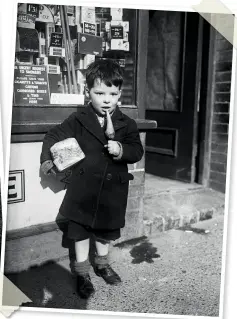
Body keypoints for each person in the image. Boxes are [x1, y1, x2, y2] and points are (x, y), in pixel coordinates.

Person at [40, 59, 144, 299]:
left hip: (112, 191)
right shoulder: (78, 120)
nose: (107, 99)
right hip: (83, 189)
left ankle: (103, 264)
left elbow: (136, 150)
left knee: (105, 232)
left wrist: (121, 149)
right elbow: (54, 135)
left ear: (119, 94)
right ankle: (82, 273)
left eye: (113, 93)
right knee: (80, 233)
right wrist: (48, 161)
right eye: (99, 93)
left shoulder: (126, 124)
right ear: (88, 92)